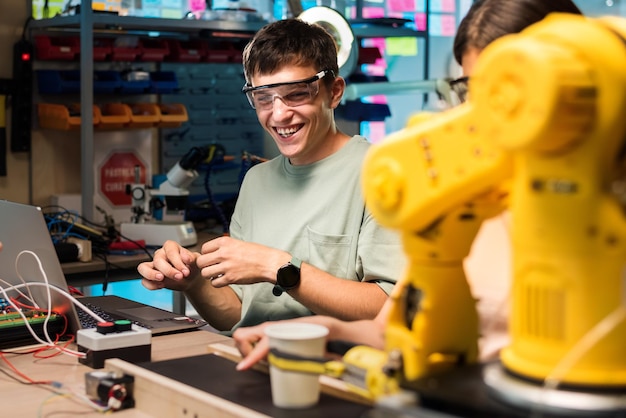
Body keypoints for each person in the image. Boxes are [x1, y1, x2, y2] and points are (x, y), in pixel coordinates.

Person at [233, 0, 583, 371]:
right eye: (471, 91)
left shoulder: (596, 212)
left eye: (506, 92)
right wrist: (322, 332)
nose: (482, 115)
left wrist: (281, 268)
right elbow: (396, 331)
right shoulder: (465, 203)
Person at [137, 19, 406, 334]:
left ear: (333, 92)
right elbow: (237, 311)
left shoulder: (382, 174)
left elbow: (391, 309)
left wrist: (276, 267)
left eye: (296, 94)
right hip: (259, 363)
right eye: (264, 98)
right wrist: (193, 281)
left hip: (342, 371)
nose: (278, 114)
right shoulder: (257, 181)